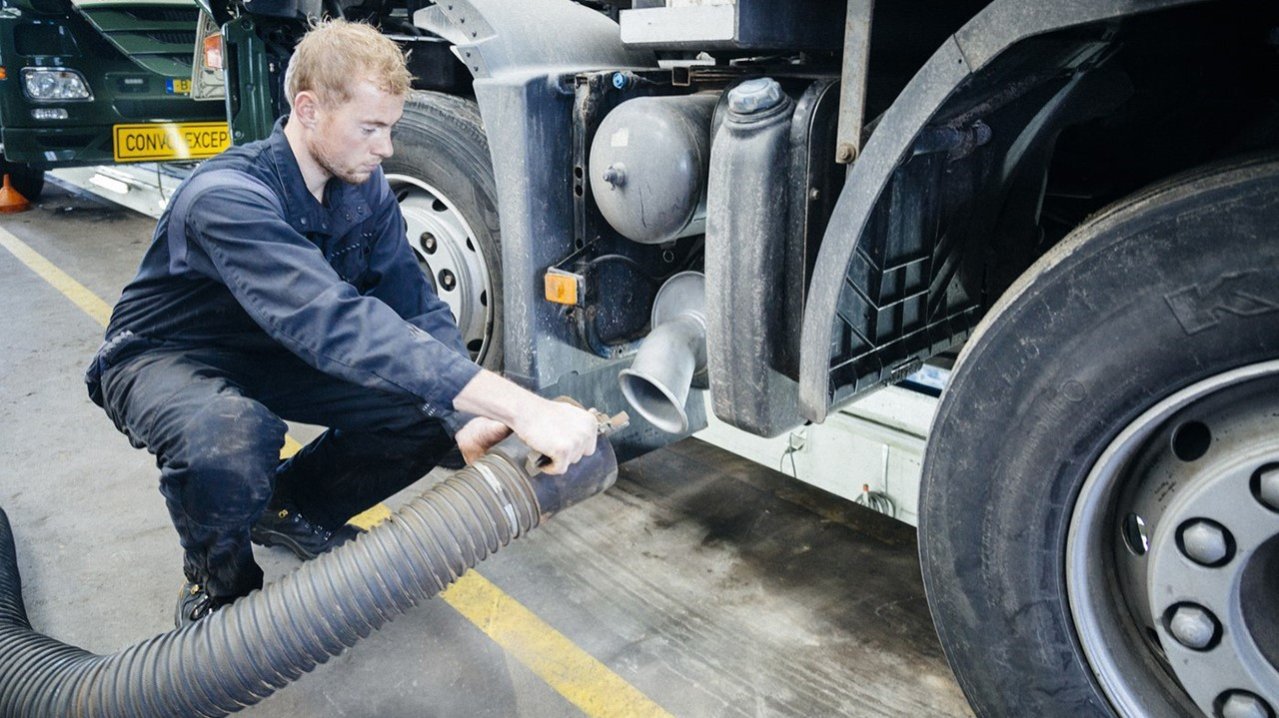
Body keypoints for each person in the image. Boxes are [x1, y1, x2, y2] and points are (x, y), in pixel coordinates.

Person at [84, 19, 599, 628]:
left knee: (429, 409)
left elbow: (413, 306)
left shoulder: (363, 188)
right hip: (165, 355)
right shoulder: (225, 196)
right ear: (308, 110)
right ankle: (219, 586)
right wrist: (523, 407)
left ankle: (290, 505)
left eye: (391, 129)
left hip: (273, 349)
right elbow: (331, 320)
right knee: (228, 437)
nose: (386, 148)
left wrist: (467, 414)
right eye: (370, 128)